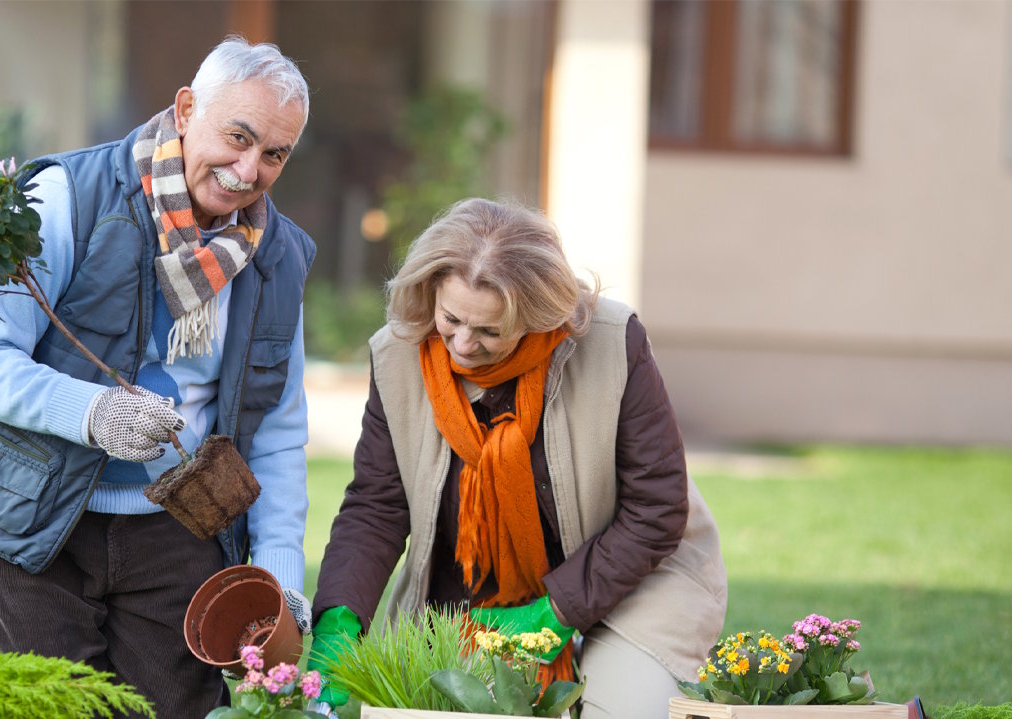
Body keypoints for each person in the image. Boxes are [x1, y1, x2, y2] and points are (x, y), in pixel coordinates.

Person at [0, 37, 315, 716]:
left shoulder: (279, 257)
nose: (250, 170)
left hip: (176, 528)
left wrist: (277, 578)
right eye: (238, 137)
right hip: (29, 512)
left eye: (274, 153)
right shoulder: (67, 196)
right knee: (55, 709)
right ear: (187, 110)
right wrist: (92, 411)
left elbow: (275, 433)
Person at [308, 198, 728, 719]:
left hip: (634, 584)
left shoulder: (611, 343)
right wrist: (339, 618)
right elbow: (377, 505)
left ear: (536, 315)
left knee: (621, 710)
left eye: (489, 331)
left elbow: (657, 509)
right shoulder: (398, 356)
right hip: (469, 601)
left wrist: (557, 611)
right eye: (452, 318)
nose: (462, 344)